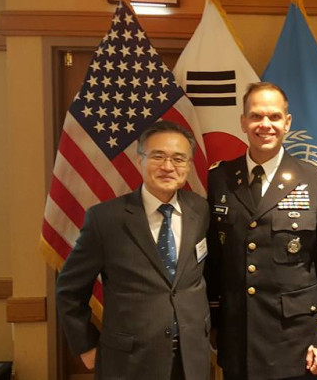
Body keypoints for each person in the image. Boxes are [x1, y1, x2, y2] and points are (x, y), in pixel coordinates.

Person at [206, 82, 317, 379]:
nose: (265, 124)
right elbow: (214, 259)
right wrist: (214, 319)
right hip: (237, 337)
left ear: (287, 122)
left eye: (274, 116)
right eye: (256, 116)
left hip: (295, 341)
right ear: (243, 122)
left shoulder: (315, 181)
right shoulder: (220, 178)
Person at [56, 120, 211, 380]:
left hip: (191, 357)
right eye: (158, 156)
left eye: (178, 159)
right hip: (129, 361)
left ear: (188, 165)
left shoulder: (200, 210)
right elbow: (69, 289)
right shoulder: (105, 220)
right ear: (140, 160)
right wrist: (85, 345)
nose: (168, 167)